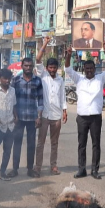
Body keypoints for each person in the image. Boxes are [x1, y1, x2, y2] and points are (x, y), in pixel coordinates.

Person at [65, 43, 105, 179]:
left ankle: (94, 170)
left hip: (95, 117)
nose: (89, 70)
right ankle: (82, 169)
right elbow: (68, 68)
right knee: (81, 144)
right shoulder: (78, 79)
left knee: (95, 144)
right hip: (82, 117)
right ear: (84, 69)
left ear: (94, 69)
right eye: (87, 68)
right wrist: (68, 54)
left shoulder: (100, 78)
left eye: (91, 68)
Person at [35, 37, 67, 176]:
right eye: (50, 67)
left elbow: (62, 96)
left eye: (54, 67)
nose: (52, 70)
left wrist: (64, 110)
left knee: (54, 143)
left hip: (56, 115)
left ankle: (53, 166)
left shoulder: (60, 79)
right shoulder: (43, 75)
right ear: (47, 68)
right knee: (40, 142)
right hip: (43, 115)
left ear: (57, 68)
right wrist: (45, 44)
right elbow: (37, 59)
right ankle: (38, 166)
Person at [8, 57, 44, 178]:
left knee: (31, 145)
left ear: (33, 66)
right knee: (17, 143)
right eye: (26, 66)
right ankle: (15, 169)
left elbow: (40, 100)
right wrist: (14, 115)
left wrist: (39, 116)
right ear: (22, 66)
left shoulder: (38, 81)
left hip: (32, 118)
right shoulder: (16, 81)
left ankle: (30, 169)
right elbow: (12, 100)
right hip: (19, 118)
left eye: (30, 66)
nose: (28, 68)